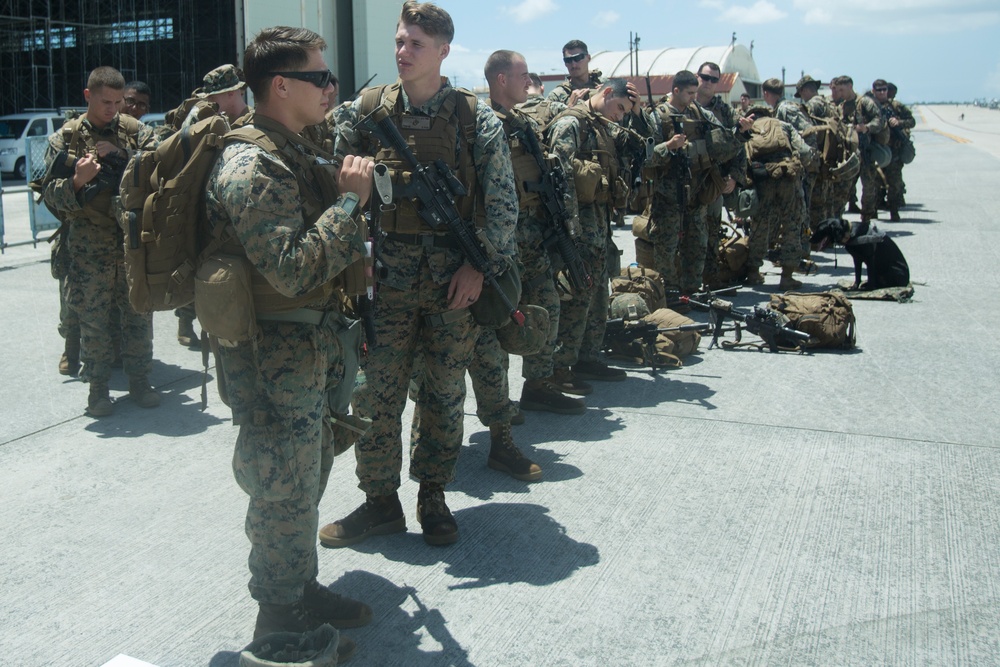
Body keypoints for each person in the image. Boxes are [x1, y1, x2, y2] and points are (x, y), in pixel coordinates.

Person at [320, 1, 519, 548]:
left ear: (443, 52)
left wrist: (479, 268)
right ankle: (380, 502)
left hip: (452, 284)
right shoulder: (365, 111)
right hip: (381, 282)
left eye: (416, 45)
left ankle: (432, 495)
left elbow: (502, 206)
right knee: (375, 394)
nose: (403, 53)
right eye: (400, 41)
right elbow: (325, 172)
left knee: (442, 393)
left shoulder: (473, 117)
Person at [203, 26, 374, 651]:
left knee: (308, 477)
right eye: (320, 77)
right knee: (281, 487)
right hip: (272, 358)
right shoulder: (253, 163)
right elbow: (293, 267)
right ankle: (277, 616)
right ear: (281, 85)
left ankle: (298, 587)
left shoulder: (295, 149)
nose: (332, 86)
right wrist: (351, 206)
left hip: (310, 348)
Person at [41, 66, 160, 417]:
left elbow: (160, 168)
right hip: (87, 247)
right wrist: (77, 183)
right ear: (87, 96)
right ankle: (97, 391)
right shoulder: (65, 138)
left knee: (138, 315)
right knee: (92, 320)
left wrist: (121, 156)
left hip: (131, 243)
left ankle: (140, 382)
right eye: (105, 101)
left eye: (118, 102)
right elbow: (48, 196)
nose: (113, 109)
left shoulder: (136, 132)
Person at [545, 77, 648, 391]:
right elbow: (559, 180)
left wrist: (638, 112)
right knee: (574, 299)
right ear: (605, 93)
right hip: (577, 231)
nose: (620, 115)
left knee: (598, 297)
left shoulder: (602, 125)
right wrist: (571, 234)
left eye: (624, 112)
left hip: (599, 228)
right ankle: (560, 368)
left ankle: (587, 357)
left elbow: (641, 146)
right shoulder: (572, 125)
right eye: (619, 108)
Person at [742, 102, 814, 289]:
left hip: (762, 178)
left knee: (759, 224)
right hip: (787, 178)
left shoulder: (749, 129)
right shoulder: (784, 126)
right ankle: (787, 276)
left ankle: (753, 272)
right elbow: (806, 152)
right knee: (791, 224)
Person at [694, 62, 749, 289]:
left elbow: (739, 146)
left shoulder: (725, 112)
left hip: (712, 181)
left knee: (711, 230)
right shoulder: (682, 104)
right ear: (697, 77)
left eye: (713, 79)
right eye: (705, 77)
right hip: (683, 178)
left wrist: (734, 178)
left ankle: (711, 278)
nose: (708, 83)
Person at [834, 75, 885, 223]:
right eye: (838, 90)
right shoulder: (840, 107)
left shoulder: (864, 102)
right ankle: (837, 221)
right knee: (843, 188)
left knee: (868, 187)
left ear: (850, 86)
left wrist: (866, 128)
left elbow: (879, 120)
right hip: (849, 154)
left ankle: (866, 218)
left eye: (842, 90)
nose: (840, 93)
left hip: (865, 152)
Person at [876, 80, 914, 221]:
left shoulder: (896, 106)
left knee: (894, 183)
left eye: (884, 90)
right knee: (874, 183)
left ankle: (893, 209)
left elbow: (912, 121)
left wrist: (899, 122)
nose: (882, 92)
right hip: (878, 150)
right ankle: (873, 211)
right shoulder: (870, 106)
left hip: (894, 151)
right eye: (879, 90)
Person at [547, 39, 603, 106]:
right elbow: (543, 115)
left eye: (578, 58)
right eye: (568, 60)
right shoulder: (557, 95)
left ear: (588, 58)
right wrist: (570, 107)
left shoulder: (605, 85)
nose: (573, 65)